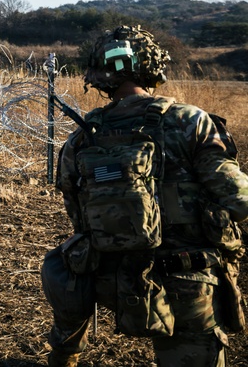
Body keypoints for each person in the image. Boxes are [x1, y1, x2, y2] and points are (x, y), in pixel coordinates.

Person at [42, 25, 248, 367]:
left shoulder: (82, 138)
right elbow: (236, 196)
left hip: (112, 280)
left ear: (99, 75)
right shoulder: (191, 121)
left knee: (64, 263)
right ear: (152, 66)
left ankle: (64, 354)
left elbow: (78, 216)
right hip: (188, 282)